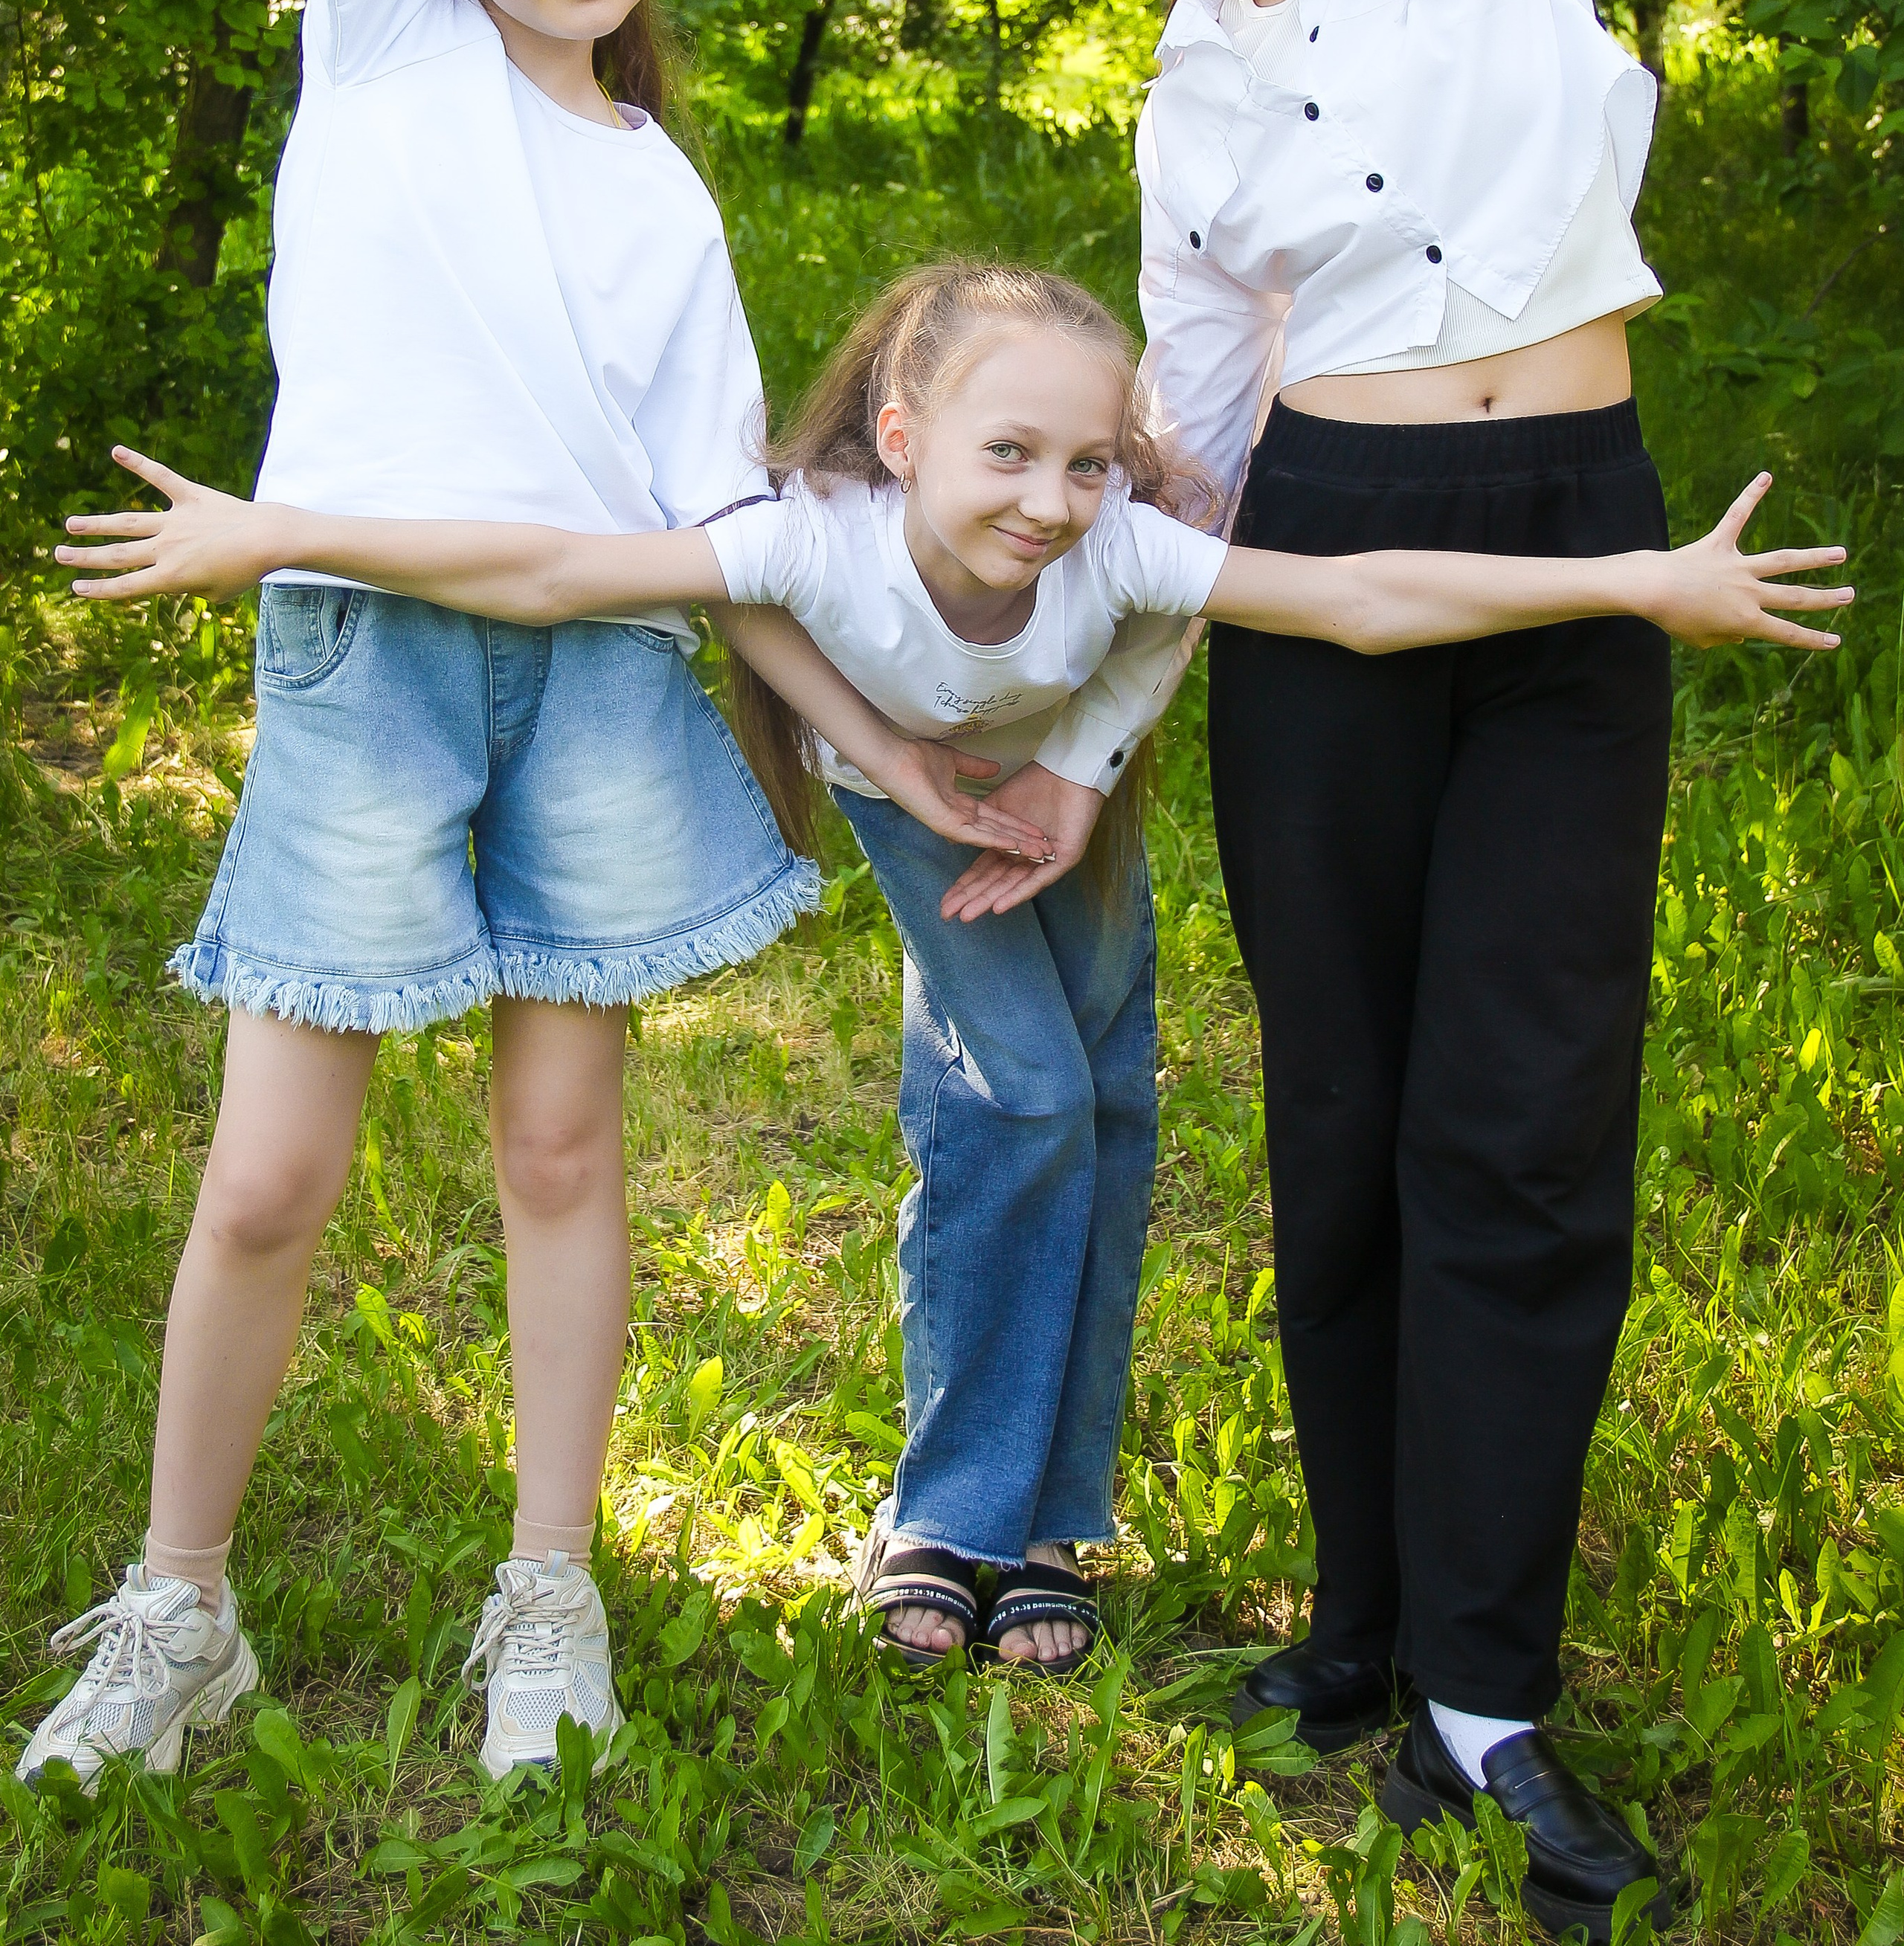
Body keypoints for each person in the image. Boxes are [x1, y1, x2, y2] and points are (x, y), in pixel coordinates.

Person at [57, 268, 1844, 1701]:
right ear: (901, 436)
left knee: (1116, 1112)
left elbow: (1356, 596)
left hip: (1068, 785)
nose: (1054, 505)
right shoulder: (810, 538)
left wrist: (1632, 582)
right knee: (1030, 1100)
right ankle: (948, 1517)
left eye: (1088, 463)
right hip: (910, 798)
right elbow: (547, 564)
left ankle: (1051, 1525)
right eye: (1005, 456)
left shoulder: (1118, 547)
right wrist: (280, 531)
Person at [828, 0, 1782, 1930]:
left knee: (1525, 1125)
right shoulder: (1190, 83)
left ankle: (1489, 1692)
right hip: (1325, 558)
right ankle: (1361, 1643)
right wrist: (1092, 740)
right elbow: (1201, 458)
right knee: (1344, 1117)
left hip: (1569, 541)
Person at [15, 0, 1051, 1798]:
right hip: (366, 672)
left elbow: (722, 537)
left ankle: (547, 1588)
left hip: (594, 686)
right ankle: (177, 1605)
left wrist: (878, 735)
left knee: (560, 1152)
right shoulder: (384, 54)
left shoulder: (663, 191)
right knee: (269, 1181)